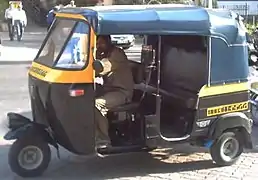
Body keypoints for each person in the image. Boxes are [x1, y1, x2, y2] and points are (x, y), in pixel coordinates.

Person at [95, 35, 134, 148]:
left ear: (108, 42)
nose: (99, 46)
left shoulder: (116, 53)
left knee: (96, 105)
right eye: (97, 44)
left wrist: (94, 61)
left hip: (122, 92)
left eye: (101, 43)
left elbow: (103, 68)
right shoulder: (105, 53)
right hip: (109, 89)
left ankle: (103, 140)